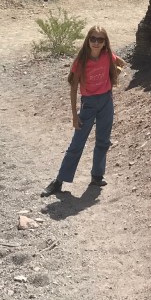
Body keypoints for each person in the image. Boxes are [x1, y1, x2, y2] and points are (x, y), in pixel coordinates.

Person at [41, 24, 126, 196]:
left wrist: (113, 76)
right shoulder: (81, 61)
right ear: (88, 40)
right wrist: (74, 115)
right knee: (77, 144)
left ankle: (97, 176)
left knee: (103, 141)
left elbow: (121, 63)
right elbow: (73, 88)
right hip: (88, 104)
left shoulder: (107, 55)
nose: (96, 42)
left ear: (104, 42)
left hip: (106, 101)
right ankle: (59, 181)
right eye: (92, 39)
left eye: (100, 40)